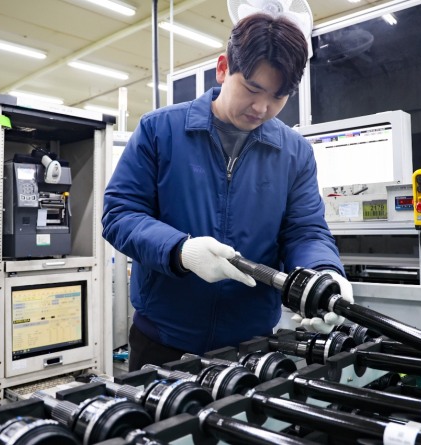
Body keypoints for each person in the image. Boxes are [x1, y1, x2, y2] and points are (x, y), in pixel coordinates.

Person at [102, 12, 353, 371]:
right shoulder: (160, 131)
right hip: (162, 342)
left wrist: (324, 272)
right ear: (223, 69)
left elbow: (305, 231)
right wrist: (180, 250)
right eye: (252, 89)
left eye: (278, 96)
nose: (261, 108)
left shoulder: (295, 153)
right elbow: (120, 214)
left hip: (253, 347)